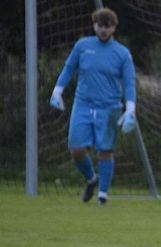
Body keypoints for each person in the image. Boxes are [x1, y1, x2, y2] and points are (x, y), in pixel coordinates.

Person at [50, 7, 137, 206]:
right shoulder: (83, 46)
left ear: (114, 28)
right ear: (94, 25)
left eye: (107, 26)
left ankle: (103, 195)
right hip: (83, 105)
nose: (103, 30)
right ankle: (91, 179)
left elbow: (129, 82)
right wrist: (57, 91)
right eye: (100, 26)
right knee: (77, 149)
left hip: (109, 108)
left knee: (105, 150)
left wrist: (130, 108)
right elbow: (69, 68)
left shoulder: (122, 53)